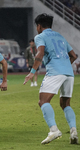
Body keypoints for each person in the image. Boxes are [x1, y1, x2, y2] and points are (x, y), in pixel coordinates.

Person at [23, 13, 78, 144]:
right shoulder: (60, 36)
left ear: (39, 26)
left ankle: (54, 130)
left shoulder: (40, 36)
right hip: (69, 73)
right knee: (65, 104)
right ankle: (73, 131)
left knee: (43, 101)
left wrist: (32, 72)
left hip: (54, 72)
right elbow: (74, 56)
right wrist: (64, 66)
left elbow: (40, 52)